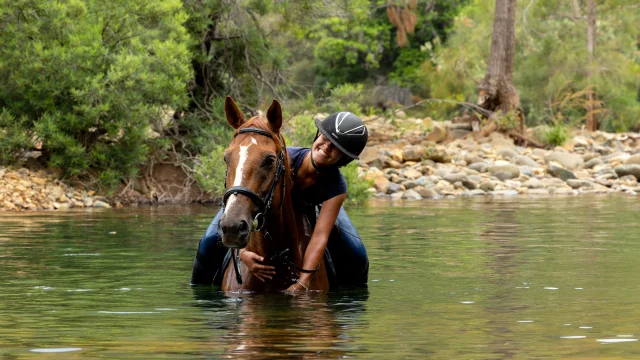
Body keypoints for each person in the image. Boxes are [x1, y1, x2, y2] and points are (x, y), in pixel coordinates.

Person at [191, 112, 369, 290]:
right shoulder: (284, 160)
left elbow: (320, 237)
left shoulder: (336, 186)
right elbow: (252, 192)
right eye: (325, 137)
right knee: (209, 241)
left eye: (336, 146)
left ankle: (351, 302)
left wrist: (304, 280)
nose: (326, 146)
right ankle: (200, 292)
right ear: (317, 135)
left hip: (315, 208)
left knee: (356, 251)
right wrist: (242, 253)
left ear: (344, 158)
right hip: (256, 202)